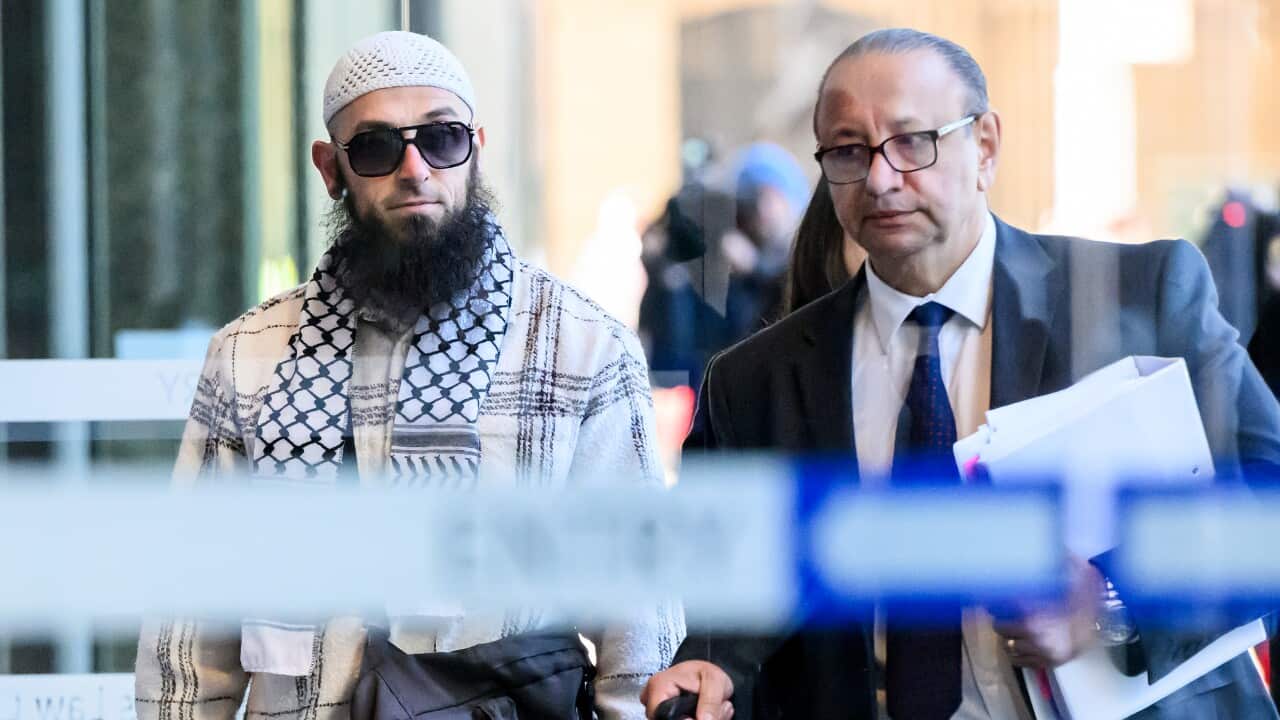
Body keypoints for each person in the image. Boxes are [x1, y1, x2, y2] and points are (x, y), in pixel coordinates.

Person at [641, 28, 1280, 720]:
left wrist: (1107, 602)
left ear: (985, 146)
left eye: (912, 141)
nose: (880, 178)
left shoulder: (1138, 295)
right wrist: (707, 669)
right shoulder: (754, 380)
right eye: (849, 151)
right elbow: (724, 599)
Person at [133, 31, 683, 720]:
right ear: (331, 168)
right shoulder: (248, 356)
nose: (415, 168)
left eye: (442, 139)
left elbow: (639, 629)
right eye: (377, 147)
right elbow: (190, 645)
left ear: (477, 147)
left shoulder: (581, 347)